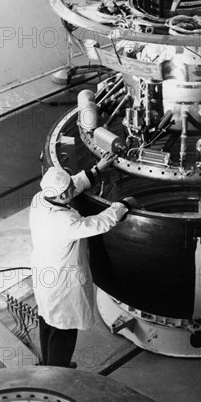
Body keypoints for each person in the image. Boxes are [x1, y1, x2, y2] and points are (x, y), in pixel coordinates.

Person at [30, 153, 134, 368]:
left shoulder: (41, 199)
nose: (71, 191)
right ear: (58, 197)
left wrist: (96, 170)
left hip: (45, 276)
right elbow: (98, 223)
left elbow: (71, 187)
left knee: (48, 323)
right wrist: (122, 205)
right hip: (62, 284)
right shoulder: (63, 221)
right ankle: (58, 376)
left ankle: (47, 367)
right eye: (66, 191)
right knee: (63, 331)